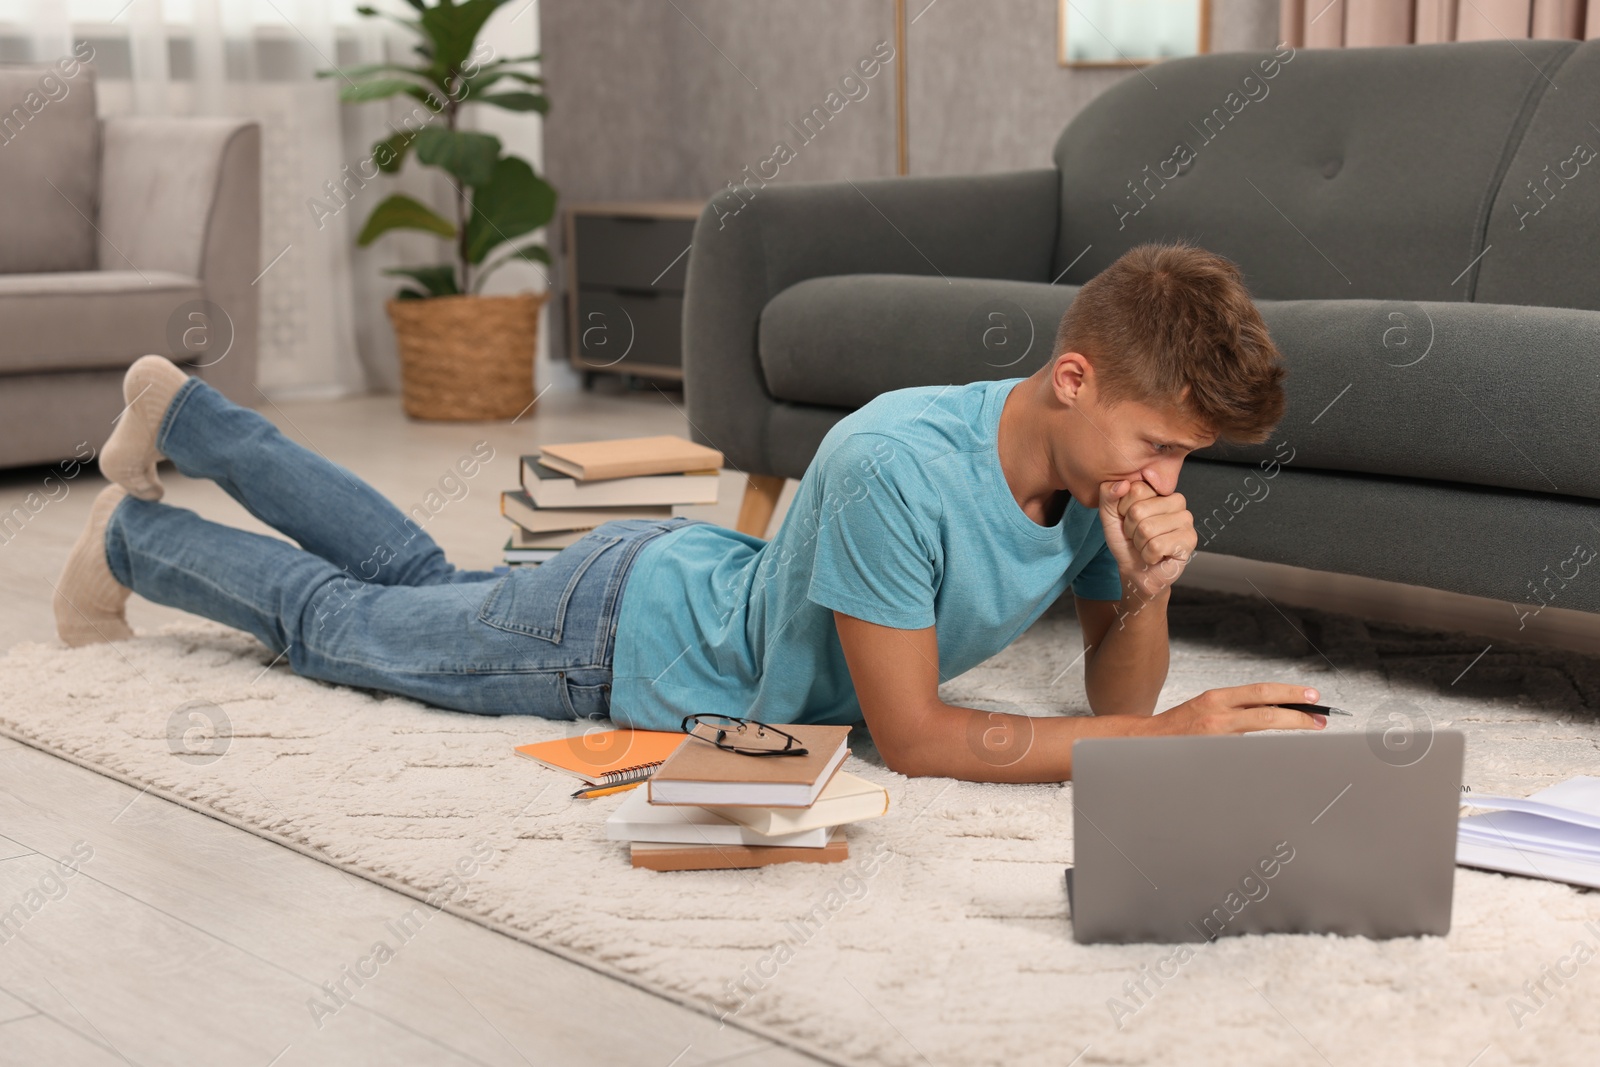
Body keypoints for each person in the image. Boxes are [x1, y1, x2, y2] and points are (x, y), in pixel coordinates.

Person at [56, 242, 1325, 783]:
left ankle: (189, 417)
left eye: (1185, 459)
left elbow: (1111, 701)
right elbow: (920, 737)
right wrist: (1168, 740)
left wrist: (1150, 592)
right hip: (613, 640)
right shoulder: (899, 463)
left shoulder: (1101, 473)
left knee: (408, 574)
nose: (1164, 480)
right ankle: (137, 538)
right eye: (1160, 445)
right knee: (344, 630)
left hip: (668, 574)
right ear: (1072, 379)